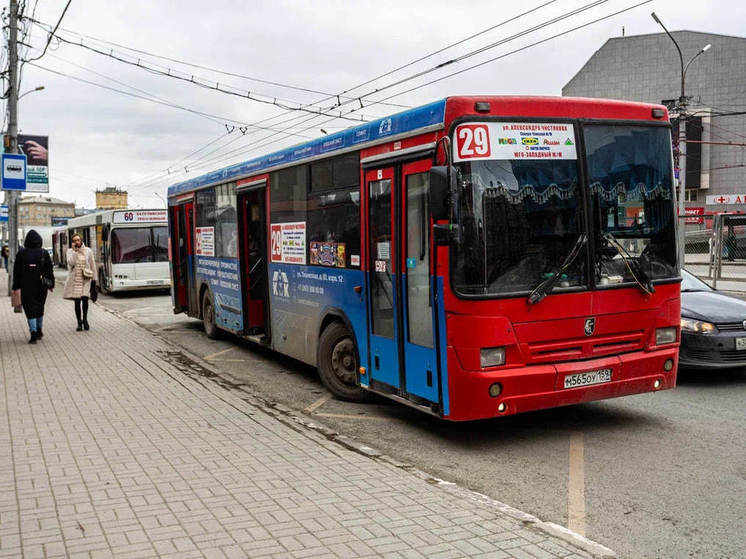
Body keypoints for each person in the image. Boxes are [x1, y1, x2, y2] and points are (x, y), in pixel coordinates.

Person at [12, 230, 54, 344]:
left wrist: (15, 287)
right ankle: (39, 330)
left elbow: (17, 272)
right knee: (39, 308)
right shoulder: (44, 253)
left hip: (26, 286)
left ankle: (33, 333)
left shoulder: (21, 253)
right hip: (41, 286)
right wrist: (51, 284)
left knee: (30, 310)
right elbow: (49, 270)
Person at [63, 233, 96, 331]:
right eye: (74, 241)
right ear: (72, 242)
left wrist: (95, 280)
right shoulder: (69, 252)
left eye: (78, 240)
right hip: (75, 280)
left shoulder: (88, 251)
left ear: (81, 240)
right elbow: (70, 263)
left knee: (85, 300)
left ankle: (85, 320)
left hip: (86, 279)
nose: (77, 242)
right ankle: (79, 322)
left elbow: (92, 264)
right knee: (77, 302)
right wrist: (75, 251)